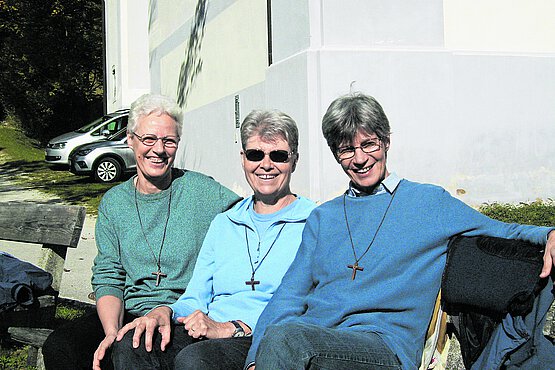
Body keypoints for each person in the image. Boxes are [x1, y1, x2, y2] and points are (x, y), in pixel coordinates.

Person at [245, 92, 555, 370]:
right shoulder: (322, 218)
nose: (361, 159)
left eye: (369, 144)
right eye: (347, 150)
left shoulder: (428, 203)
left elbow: (505, 231)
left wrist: (550, 234)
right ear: (335, 154)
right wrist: (255, 359)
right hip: (313, 339)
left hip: (382, 348)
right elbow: (287, 298)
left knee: (287, 340)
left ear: (386, 141)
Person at [42, 93, 241, 370]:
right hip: (128, 312)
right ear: (130, 139)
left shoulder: (204, 192)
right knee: (61, 347)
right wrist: (111, 331)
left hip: (180, 316)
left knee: (133, 348)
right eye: (148, 139)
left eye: (168, 141)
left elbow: (255, 218)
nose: (158, 150)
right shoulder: (115, 202)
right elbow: (109, 273)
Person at [110, 109, 316, 369]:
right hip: (208, 331)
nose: (266, 164)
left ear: (294, 161)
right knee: (135, 344)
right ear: (243, 159)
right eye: (255, 155)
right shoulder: (225, 223)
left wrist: (232, 328)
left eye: (278, 156)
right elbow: (197, 295)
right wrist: (166, 311)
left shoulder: (313, 222)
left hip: (267, 335)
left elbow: (308, 303)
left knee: (195, 361)